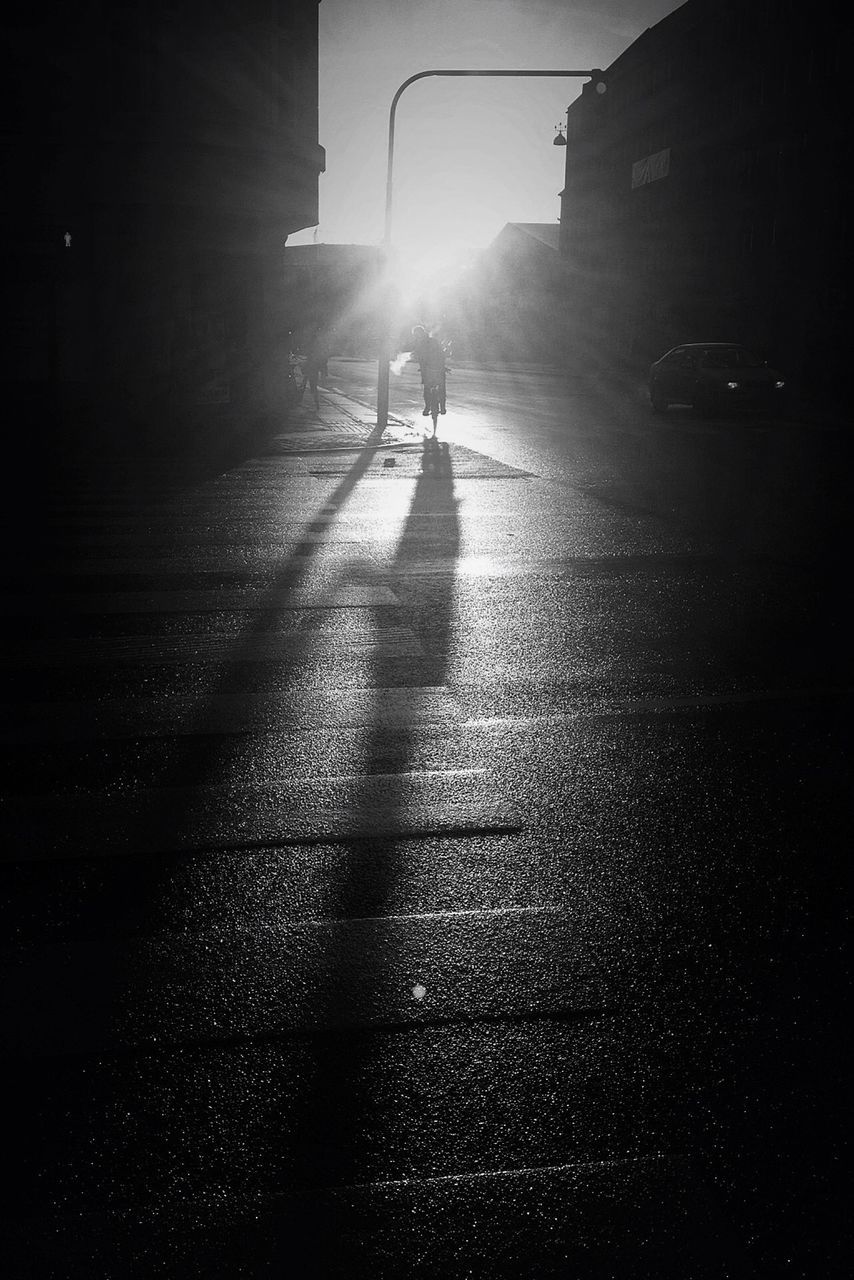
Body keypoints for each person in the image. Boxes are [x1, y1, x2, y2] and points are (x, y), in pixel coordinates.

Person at [411, 325, 447, 416]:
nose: (417, 337)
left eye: (417, 335)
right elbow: (442, 354)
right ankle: (442, 407)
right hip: (438, 367)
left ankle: (427, 407)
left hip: (429, 369)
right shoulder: (433, 341)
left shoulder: (420, 343)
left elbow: (419, 356)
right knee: (441, 387)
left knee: (427, 389)